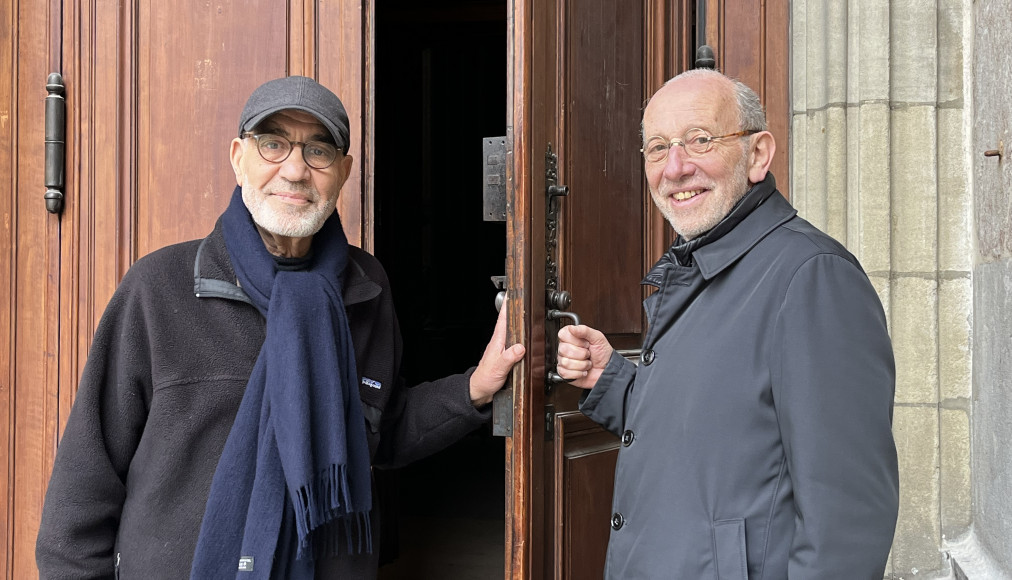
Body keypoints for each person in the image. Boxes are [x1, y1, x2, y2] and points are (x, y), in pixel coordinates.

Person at [36, 75, 525, 580]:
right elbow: (83, 487)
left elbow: (385, 430)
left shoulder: (365, 288)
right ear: (238, 157)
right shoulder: (160, 288)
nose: (294, 170)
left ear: (344, 172)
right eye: (272, 144)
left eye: (319, 151)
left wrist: (475, 388)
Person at [556, 69, 899, 578]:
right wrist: (612, 378)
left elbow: (846, 521)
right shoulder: (699, 263)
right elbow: (714, 434)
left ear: (758, 154)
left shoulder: (811, 277)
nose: (675, 167)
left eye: (700, 140)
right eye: (657, 148)